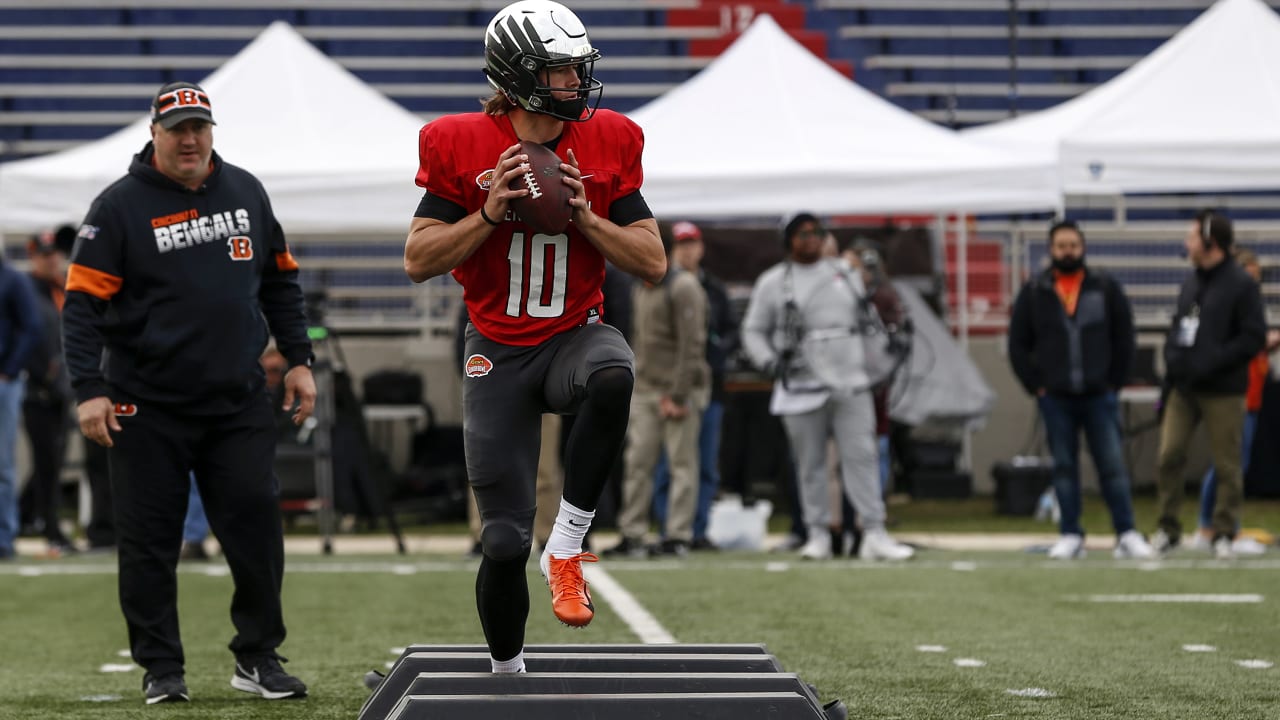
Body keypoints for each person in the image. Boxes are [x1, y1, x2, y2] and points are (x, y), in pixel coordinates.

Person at [403, 0, 665, 675]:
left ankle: (569, 544)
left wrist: (586, 218)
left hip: (574, 334)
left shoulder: (611, 138)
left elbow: (652, 261)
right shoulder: (457, 142)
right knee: (498, 541)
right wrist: (489, 213)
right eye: (560, 71)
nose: (576, 83)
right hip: (497, 347)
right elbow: (419, 258)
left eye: (579, 69)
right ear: (517, 73)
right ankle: (506, 673)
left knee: (614, 373)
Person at [61, 80, 315, 704]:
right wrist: (89, 388)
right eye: (177, 130)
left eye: (199, 127)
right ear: (155, 135)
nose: (190, 139)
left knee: (256, 529)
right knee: (148, 542)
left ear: (211, 132)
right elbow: (82, 307)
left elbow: (280, 283)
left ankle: (257, 656)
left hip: (236, 399)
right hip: (145, 405)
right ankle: (161, 668)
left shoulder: (246, 190)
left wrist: (301, 359)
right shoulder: (118, 206)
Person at [740, 213, 913, 561]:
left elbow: (868, 320)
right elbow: (753, 331)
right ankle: (817, 532)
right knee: (811, 463)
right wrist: (770, 361)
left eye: (817, 232)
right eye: (802, 233)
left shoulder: (845, 275)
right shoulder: (774, 282)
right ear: (788, 240)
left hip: (850, 382)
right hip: (802, 384)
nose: (811, 238)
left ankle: (874, 532)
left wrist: (884, 350)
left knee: (862, 455)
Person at [1007, 220, 1155, 560]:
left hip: (1098, 394)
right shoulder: (1035, 291)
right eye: (1061, 246)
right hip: (1056, 397)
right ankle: (1071, 534)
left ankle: (1127, 532)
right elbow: (1018, 344)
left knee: (1113, 465)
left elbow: (1124, 337)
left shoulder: (1103, 287)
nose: (1067, 251)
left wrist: (1114, 381)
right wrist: (1036, 385)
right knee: (1063, 466)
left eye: (1073, 245)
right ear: (1051, 249)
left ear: (1083, 247)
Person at [1153, 210, 1266, 559]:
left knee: (1227, 464)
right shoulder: (1192, 281)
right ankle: (1168, 528)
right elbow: (1179, 326)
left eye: (1191, 237)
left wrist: (1212, 360)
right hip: (1184, 388)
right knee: (1169, 454)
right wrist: (1175, 359)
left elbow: (1253, 337)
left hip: (1223, 388)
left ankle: (1222, 531)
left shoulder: (1241, 284)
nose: (1186, 244)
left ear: (1209, 242)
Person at [607, 229, 709, 558]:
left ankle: (678, 535)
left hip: (678, 391)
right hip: (645, 389)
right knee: (637, 464)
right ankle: (632, 532)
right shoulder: (641, 286)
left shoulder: (683, 286)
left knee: (681, 464)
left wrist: (678, 395)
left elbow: (692, 346)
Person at [1190, 248, 1279, 555]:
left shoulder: (1249, 307)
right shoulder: (1231, 308)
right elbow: (1237, 344)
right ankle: (1216, 527)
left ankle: (1215, 526)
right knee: (1227, 466)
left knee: (1233, 465)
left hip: (1251, 397)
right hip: (1235, 396)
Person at [20, 226, 78, 557]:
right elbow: (30, 337)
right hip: (36, 389)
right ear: (33, 256)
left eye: (54, 252)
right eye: (45, 254)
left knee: (52, 462)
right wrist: (44, 374)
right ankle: (51, 529)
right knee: (47, 462)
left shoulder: (61, 288)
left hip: (60, 390)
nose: (52, 259)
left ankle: (32, 517)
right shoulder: (27, 289)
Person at [0, 244, 41, 561]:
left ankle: (4, 537)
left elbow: (31, 327)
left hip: (4, 382)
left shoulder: (13, 280)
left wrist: (9, 372)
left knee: (3, 464)